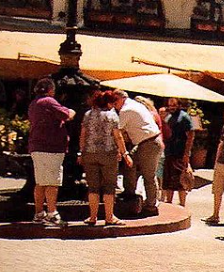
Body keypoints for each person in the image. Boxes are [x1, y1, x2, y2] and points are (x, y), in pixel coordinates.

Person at [28, 78, 75, 226]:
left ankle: (38, 213)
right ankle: (52, 213)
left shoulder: (33, 103)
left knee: (40, 182)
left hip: (37, 146)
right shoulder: (49, 101)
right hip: (51, 147)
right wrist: (72, 111)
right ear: (50, 89)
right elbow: (67, 115)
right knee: (52, 182)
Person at [79, 89, 129, 226]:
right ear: (108, 103)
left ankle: (93, 217)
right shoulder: (112, 116)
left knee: (93, 187)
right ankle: (109, 217)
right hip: (108, 154)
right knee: (109, 187)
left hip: (90, 153)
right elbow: (118, 136)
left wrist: (80, 152)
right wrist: (125, 154)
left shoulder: (88, 115)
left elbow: (83, 135)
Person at [113, 90, 164, 215]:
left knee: (148, 175)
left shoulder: (126, 110)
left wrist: (120, 150)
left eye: (115, 101)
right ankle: (129, 192)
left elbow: (117, 131)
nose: (114, 105)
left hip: (149, 143)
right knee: (130, 163)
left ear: (121, 99)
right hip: (146, 142)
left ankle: (151, 206)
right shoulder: (135, 105)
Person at [161, 98, 195, 206]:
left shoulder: (184, 117)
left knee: (181, 181)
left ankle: (182, 205)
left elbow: (190, 135)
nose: (171, 107)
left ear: (179, 105)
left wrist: (186, 154)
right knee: (168, 182)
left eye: (174, 105)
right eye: (170, 105)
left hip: (180, 153)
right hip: (169, 152)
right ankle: (169, 204)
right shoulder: (169, 117)